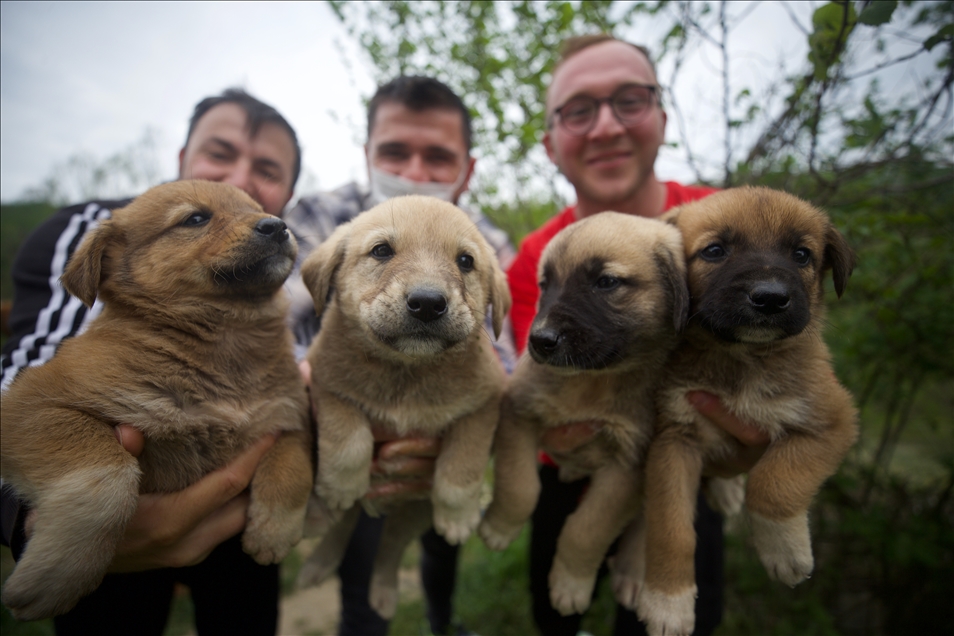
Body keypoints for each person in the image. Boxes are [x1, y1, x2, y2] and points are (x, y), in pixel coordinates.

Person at [0, 88, 302, 635]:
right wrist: (83, 498)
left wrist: (288, 480)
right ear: (182, 157)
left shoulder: (282, 323)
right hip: (109, 547)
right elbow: (20, 403)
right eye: (196, 217)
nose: (241, 182)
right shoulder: (101, 231)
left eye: (266, 173)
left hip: (240, 540)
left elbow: (297, 421)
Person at [506, 34, 770, 636]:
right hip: (569, 477)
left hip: (686, 484)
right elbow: (557, 388)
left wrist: (742, 449)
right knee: (554, 613)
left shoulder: (721, 226)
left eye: (630, 99)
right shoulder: (534, 258)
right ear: (550, 144)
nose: (604, 127)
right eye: (578, 110)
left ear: (662, 117)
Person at [285, 75, 516, 636]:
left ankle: (441, 618)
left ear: (468, 168)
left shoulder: (489, 244)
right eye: (395, 152)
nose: (413, 173)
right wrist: (317, 396)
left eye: (437, 157)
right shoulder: (318, 220)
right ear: (368, 155)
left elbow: (503, 364)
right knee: (360, 549)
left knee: (443, 533)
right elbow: (277, 325)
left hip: (442, 434)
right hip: (342, 425)